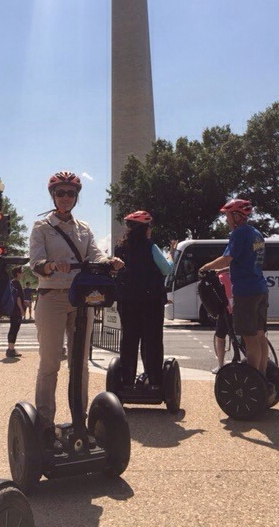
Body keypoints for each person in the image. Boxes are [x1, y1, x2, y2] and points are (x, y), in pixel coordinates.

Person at [29, 171, 124, 450]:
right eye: (61, 193)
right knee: (50, 364)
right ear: (53, 195)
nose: (66, 197)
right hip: (52, 297)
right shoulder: (41, 226)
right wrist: (48, 265)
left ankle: (79, 420)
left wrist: (110, 261)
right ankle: (46, 423)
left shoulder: (83, 228)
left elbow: (95, 254)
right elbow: (35, 259)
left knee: (80, 363)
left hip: (82, 298)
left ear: (76, 197)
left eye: (71, 193)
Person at [199, 199, 271, 391]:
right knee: (259, 335)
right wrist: (219, 270)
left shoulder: (239, 234)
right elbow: (240, 261)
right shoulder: (256, 234)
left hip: (245, 292)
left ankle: (252, 382)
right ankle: (262, 377)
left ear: (237, 216)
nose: (226, 220)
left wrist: (205, 267)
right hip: (260, 288)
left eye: (227, 216)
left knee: (249, 338)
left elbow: (227, 257)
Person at [114, 211, 174, 390]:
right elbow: (166, 270)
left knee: (129, 339)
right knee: (152, 340)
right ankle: (154, 380)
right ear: (145, 228)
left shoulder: (120, 248)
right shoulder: (151, 247)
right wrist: (171, 255)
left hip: (127, 300)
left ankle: (127, 380)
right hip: (151, 301)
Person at [7, 267, 25, 358]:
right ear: (18, 273)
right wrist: (22, 309)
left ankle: (10, 348)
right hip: (16, 311)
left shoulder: (11, 283)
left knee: (12, 328)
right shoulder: (16, 283)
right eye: (22, 272)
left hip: (12, 310)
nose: (23, 274)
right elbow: (18, 298)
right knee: (14, 329)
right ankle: (11, 349)